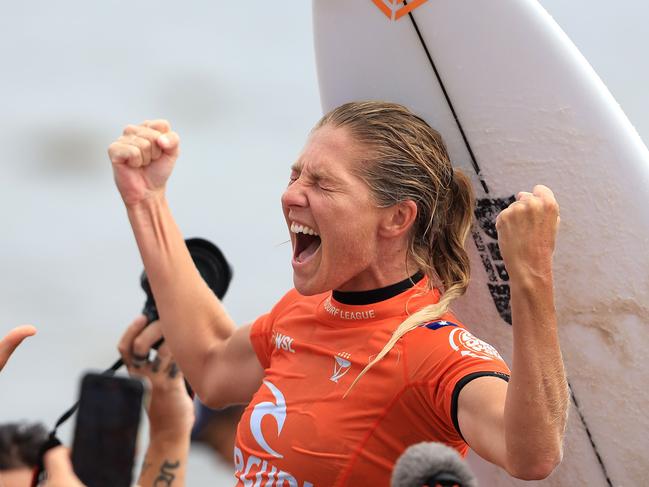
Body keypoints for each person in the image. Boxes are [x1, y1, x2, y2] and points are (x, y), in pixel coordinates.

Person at [107, 101, 568, 485]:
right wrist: (146, 200)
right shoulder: (304, 310)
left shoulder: (432, 351)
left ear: (397, 218)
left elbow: (531, 454)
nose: (291, 196)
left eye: (321, 183)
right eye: (295, 176)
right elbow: (210, 364)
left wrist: (531, 277)